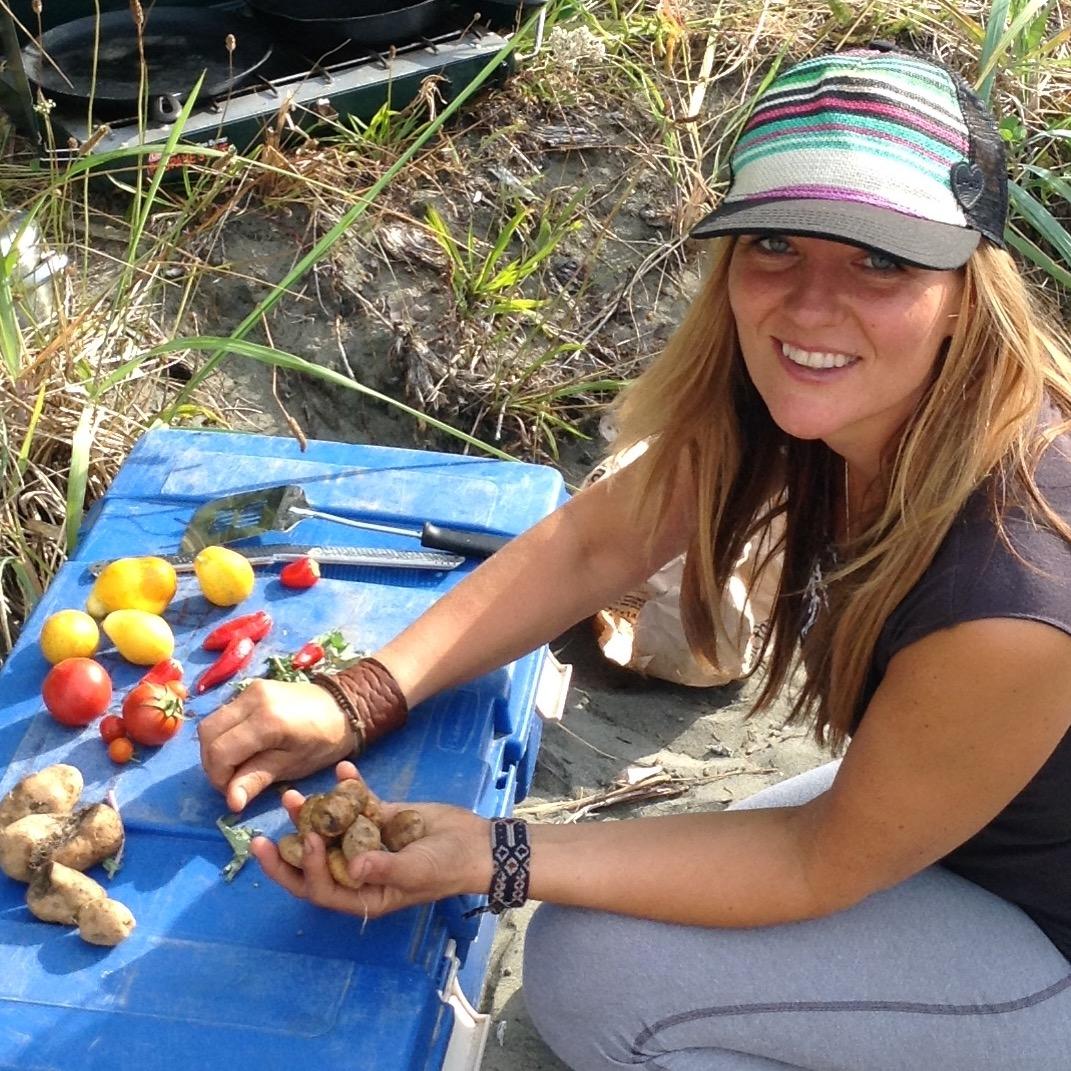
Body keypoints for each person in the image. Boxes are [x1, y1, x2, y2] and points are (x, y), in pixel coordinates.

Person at [197, 44, 1071, 1070]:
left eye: (881, 258)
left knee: (597, 982)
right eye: (775, 242)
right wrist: (359, 696)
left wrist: (496, 853)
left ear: (969, 286)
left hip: (1039, 928)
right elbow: (596, 540)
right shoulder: (819, 406)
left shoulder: (1020, 587)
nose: (809, 302)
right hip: (949, 830)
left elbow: (818, 861)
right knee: (616, 921)